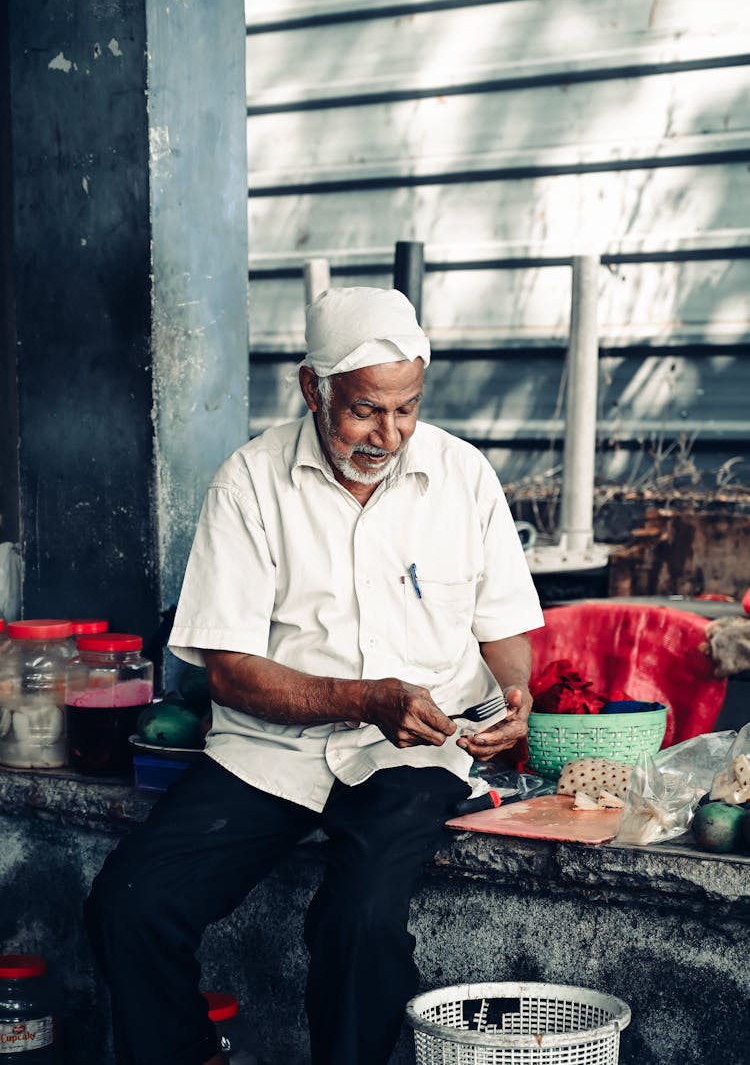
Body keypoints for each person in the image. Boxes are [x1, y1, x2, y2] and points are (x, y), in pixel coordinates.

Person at [84, 286, 544, 1065]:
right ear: (312, 388)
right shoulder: (250, 482)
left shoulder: (463, 477)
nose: (389, 433)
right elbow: (228, 672)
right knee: (130, 903)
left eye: (407, 409)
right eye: (367, 409)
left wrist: (516, 697)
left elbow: (505, 634)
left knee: (359, 919)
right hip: (273, 746)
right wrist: (367, 699)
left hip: (417, 749)